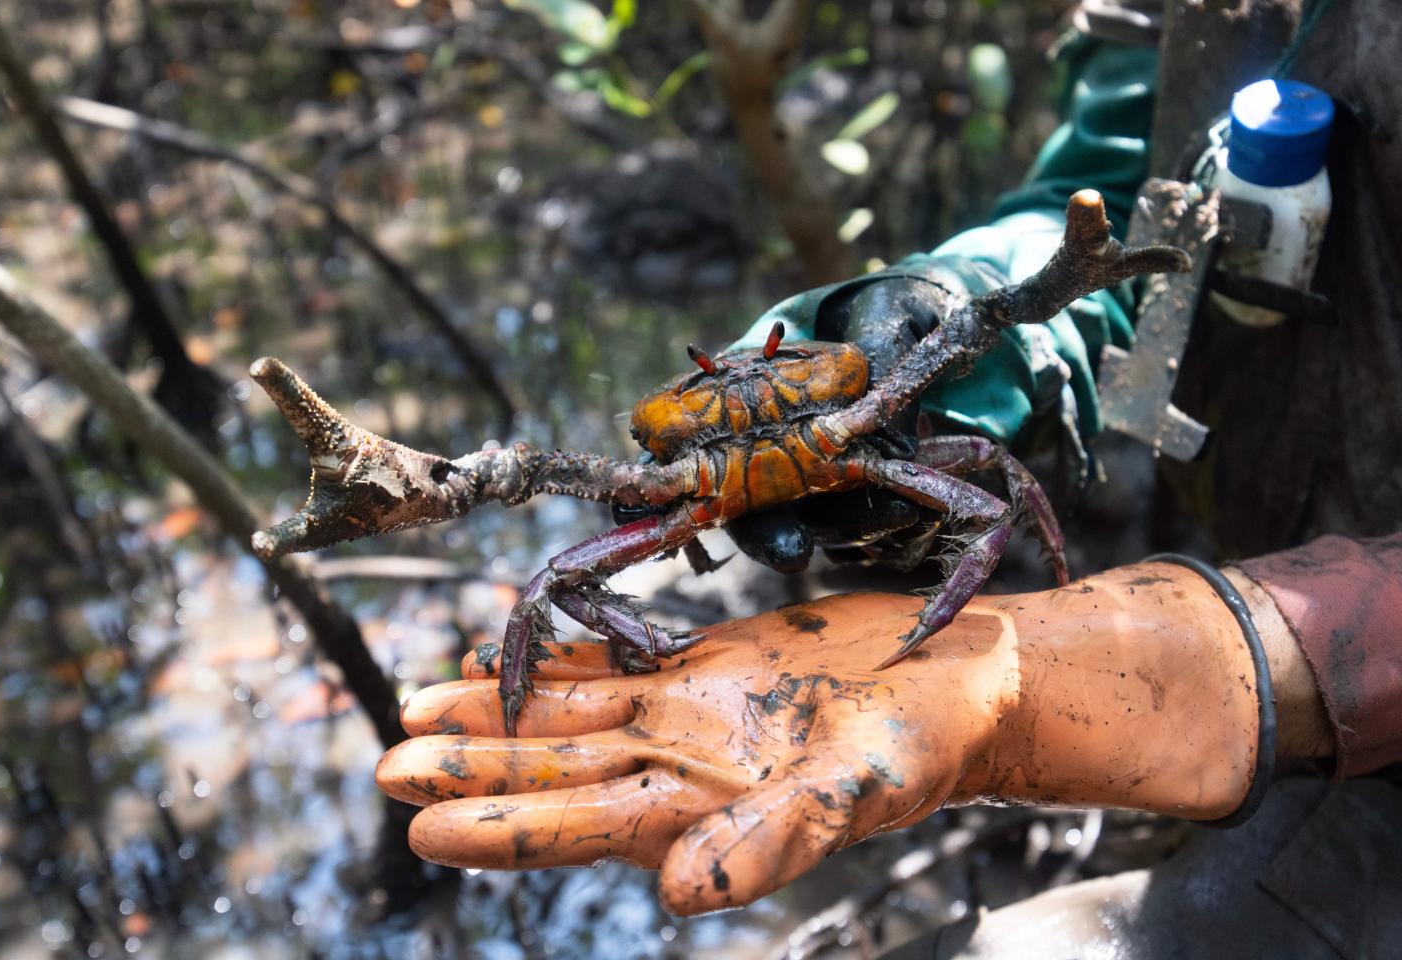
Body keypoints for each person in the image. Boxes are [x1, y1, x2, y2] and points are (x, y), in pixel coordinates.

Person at [377, 1, 1402, 954]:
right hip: (1235, 560)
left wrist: (1069, 661)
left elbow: (995, 484)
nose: (743, 398)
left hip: (1333, 714)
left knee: (988, 486)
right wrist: (946, 301)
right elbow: (1119, 200)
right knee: (550, 584)